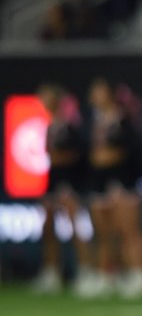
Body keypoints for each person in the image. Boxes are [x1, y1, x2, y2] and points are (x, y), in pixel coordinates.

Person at [85, 78, 142, 299]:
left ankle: (140, 274)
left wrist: (111, 158)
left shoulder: (126, 120)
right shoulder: (94, 122)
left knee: (129, 230)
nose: (95, 96)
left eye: (100, 91)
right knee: (104, 233)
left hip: (124, 182)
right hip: (100, 183)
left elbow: (135, 151)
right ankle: (108, 275)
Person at [32, 84, 94, 294]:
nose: (43, 102)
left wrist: (62, 161)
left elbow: (78, 154)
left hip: (71, 183)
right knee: (48, 228)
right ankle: (52, 272)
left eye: (47, 97)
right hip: (53, 181)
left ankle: (86, 271)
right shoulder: (50, 127)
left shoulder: (71, 125)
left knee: (76, 226)